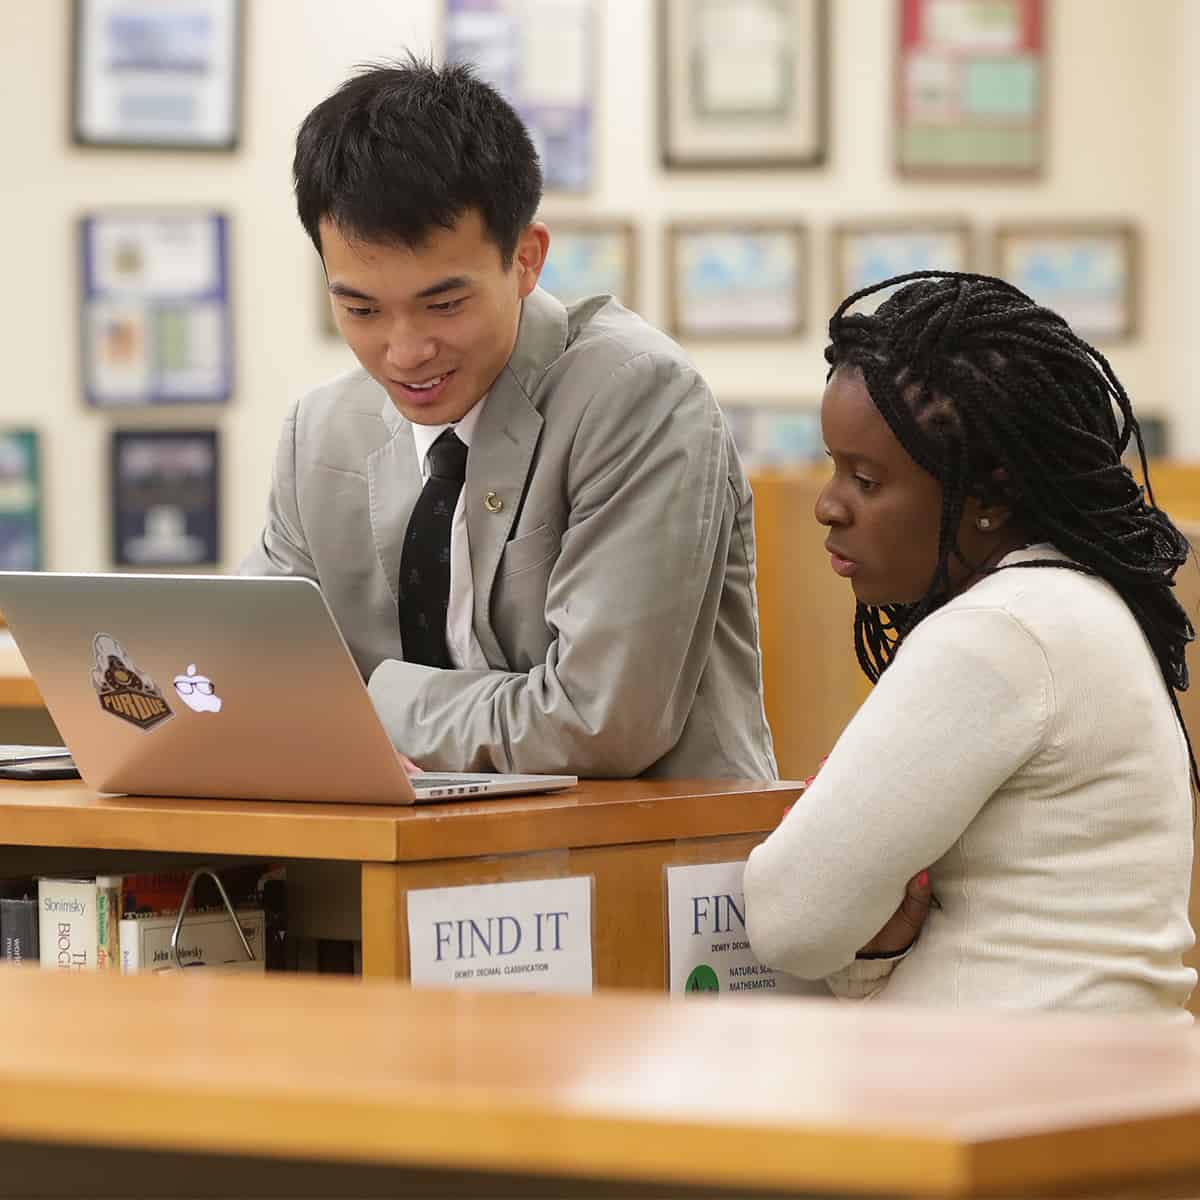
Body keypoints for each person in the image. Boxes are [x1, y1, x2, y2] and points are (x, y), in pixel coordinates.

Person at [241, 57, 777, 781]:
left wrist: (363, 700)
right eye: (361, 309)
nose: (404, 351)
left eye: (444, 304)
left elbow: (601, 721)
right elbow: (247, 673)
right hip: (405, 863)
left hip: (641, 861)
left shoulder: (639, 397)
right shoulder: (321, 433)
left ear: (526, 260)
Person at [744, 271, 1197, 1020]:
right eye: (832, 468)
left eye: (864, 478)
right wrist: (875, 945)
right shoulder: (1073, 602)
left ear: (986, 495)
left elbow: (790, 921)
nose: (828, 505)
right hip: (1086, 1087)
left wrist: (861, 930)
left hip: (1013, 1097)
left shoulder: (1000, 631)